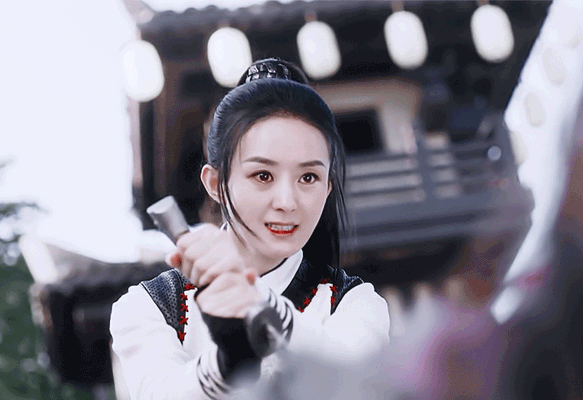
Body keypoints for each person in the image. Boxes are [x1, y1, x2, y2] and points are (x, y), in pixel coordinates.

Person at [110, 58, 390, 399]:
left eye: (308, 177)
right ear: (215, 183)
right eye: (263, 175)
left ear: (327, 187)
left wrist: (257, 303)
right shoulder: (151, 307)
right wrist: (228, 364)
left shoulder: (356, 304)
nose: (287, 201)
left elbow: (349, 381)